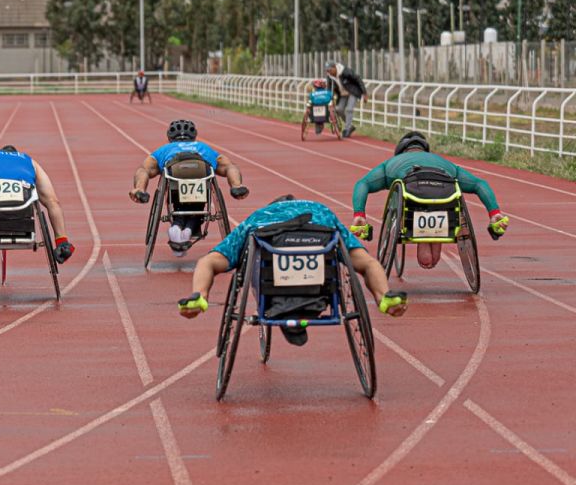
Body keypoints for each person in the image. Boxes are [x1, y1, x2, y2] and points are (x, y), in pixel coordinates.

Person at [177, 194, 407, 344]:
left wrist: (200, 292)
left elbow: (208, 262)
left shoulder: (257, 219)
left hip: (272, 288)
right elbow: (366, 263)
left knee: (212, 260)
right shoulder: (322, 212)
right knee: (366, 261)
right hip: (319, 286)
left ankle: (200, 300)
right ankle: (385, 298)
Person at [350, 131, 510, 270]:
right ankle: (438, 229)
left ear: (400, 152)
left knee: (425, 258)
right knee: (443, 200)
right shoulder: (443, 162)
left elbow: (362, 184)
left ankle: (423, 231)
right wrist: (494, 212)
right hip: (444, 196)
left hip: (413, 196)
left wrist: (359, 214)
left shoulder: (392, 163)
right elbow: (479, 184)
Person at [128, 119, 249, 253]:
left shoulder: (164, 150)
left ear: (169, 136)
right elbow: (228, 166)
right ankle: (237, 186)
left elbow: (145, 169)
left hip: (175, 173)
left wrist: (140, 185)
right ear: (194, 136)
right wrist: (234, 182)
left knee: (145, 169)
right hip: (201, 172)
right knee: (230, 166)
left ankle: (140, 190)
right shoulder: (203, 147)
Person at [325, 61, 366, 138]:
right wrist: (329, 98)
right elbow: (329, 89)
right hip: (343, 94)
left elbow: (358, 78)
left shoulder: (345, 71)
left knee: (349, 109)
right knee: (338, 109)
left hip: (353, 92)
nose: (329, 72)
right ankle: (350, 126)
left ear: (334, 68)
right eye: (327, 71)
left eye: (330, 70)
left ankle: (347, 129)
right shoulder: (330, 77)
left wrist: (364, 93)